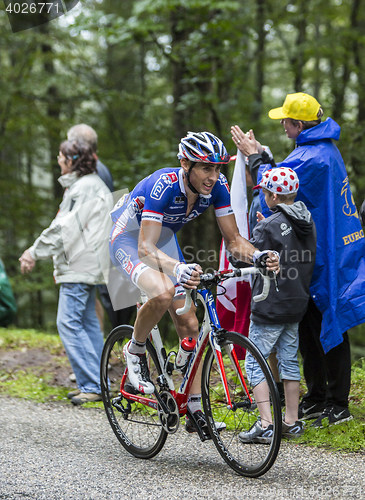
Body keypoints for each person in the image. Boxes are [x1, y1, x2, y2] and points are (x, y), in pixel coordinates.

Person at [109, 131, 280, 433]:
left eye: (217, 168)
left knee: (191, 325)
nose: (213, 176)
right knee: (163, 292)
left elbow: (235, 240)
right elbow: (145, 249)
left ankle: (196, 408)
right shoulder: (164, 185)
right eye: (205, 167)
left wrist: (259, 256)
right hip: (130, 240)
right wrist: (178, 269)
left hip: (162, 241)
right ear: (185, 164)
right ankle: (134, 350)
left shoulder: (218, 187)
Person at [232, 92, 365, 427]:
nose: (282, 125)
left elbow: (274, 186)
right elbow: (284, 176)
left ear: (300, 124)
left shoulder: (313, 156)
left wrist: (255, 158)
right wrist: (262, 155)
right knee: (308, 323)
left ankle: (337, 402)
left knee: (328, 322)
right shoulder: (319, 148)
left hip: (322, 253)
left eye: (286, 121)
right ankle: (317, 396)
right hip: (316, 250)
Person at [19, 140, 113, 405]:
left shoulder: (83, 189)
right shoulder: (89, 185)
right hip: (87, 265)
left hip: (80, 267)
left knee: (68, 323)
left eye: (60, 156)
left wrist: (33, 252)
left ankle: (93, 385)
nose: (58, 161)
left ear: (72, 160)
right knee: (88, 324)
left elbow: (64, 229)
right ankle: (99, 383)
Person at [238, 167, 316, 443]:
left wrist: (260, 229)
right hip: (297, 303)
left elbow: (246, 258)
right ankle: (292, 421)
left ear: (271, 195)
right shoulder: (308, 221)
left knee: (254, 361)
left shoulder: (268, 225)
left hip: (270, 305)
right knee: (289, 360)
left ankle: (266, 423)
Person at [67, 124, 136, 329]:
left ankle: (109, 346)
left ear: (76, 145)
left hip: (101, 243)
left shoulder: (91, 172)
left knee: (108, 298)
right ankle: (108, 345)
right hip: (108, 239)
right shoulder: (100, 167)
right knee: (107, 297)